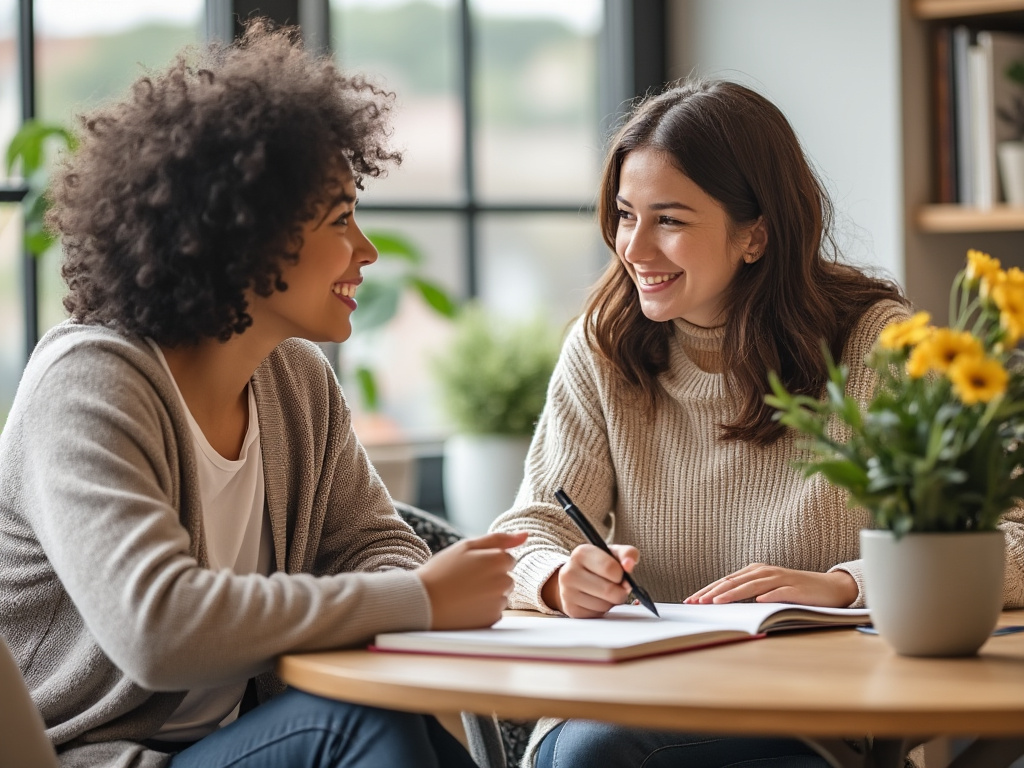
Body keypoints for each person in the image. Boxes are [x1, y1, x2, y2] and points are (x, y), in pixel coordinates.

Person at [0, 20, 527, 768]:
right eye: (340, 218)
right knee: (362, 726)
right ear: (242, 234)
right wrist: (420, 600)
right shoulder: (89, 384)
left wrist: (400, 587)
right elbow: (158, 629)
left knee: (389, 718)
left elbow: (377, 543)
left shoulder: (296, 381)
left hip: (243, 742)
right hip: (102, 757)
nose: (367, 250)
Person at [490, 78, 1024, 768]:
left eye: (671, 221)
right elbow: (528, 530)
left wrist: (845, 585)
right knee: (586, 751)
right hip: (641, 701)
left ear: (755, 236)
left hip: (821, 715)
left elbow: (1010, 536)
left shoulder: (877, 347)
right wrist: (561, 576)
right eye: (626, 215)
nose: (636, 249)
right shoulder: (605, 348)